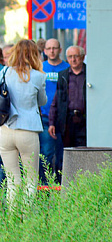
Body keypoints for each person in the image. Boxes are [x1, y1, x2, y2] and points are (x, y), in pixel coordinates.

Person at [0, 39, 46, 202]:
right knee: (31, 181)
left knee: (13, 182)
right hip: (28, 130)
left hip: (6, 130)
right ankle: (27, 220)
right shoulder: (38, 76)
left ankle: (13, 220)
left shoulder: (5, 72)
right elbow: (42, 101)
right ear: (35, 55)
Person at [48, 45, 87, 175]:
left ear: (82, 57)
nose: (73, 59)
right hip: (67, 120)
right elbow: (56, 100)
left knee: (84, 153)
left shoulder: (89, 73)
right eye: (70, 57)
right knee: (65, 155)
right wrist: (52, 122)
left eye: (76, 56)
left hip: (85, 120)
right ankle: (64, 184)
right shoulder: (63, 75)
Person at [40, 38, 69, 182]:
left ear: (60, 50)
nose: (52, 51)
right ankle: (45, 186)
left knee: (63, 154)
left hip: (64, 118)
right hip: (45, 116)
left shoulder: (68, 68)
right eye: (49, 48)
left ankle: (61, 184)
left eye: (55, 48)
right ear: (45, 51)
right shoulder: (40, 68)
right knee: (46, 153)